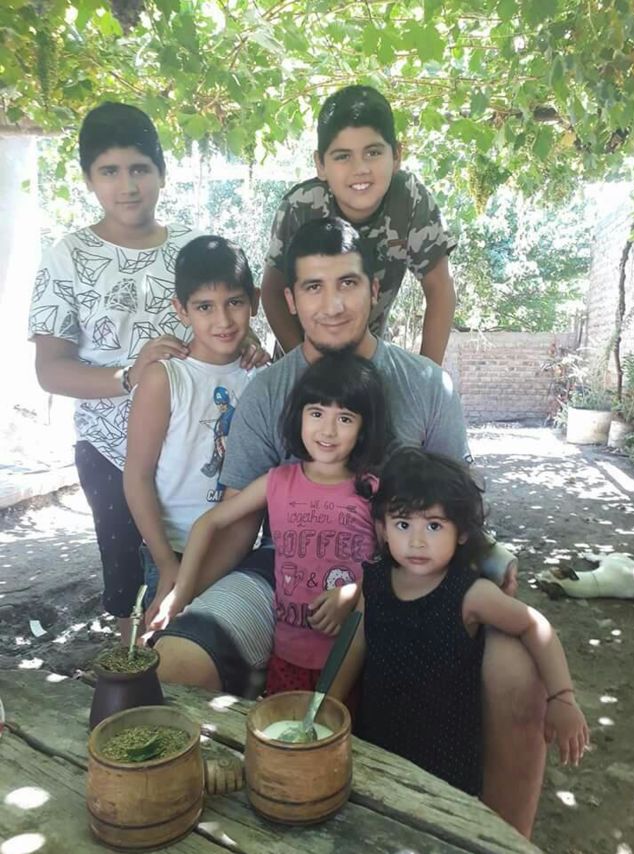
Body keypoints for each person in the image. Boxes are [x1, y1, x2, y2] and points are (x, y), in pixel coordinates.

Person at [154, 216, 544, 837]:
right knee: (174, 660)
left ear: (375, 289)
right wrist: (183, 595)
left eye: (348, 284)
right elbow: (235, 521)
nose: (332, 305)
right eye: (313, 287)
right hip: (285, 567)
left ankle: (502, 842)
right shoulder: (268, 391)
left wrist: (490, 558)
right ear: (290, 299)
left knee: (518, 675)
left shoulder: (427, 385)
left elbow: (458, 509)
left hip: (409, 575)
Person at [28, 102, 265, 643]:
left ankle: (188, 662)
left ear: (161, 171)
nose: (127, 185)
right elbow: (51, 370)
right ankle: (133, 670)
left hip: (197, 446)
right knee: (129, 587)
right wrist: (128, 377)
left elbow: (224, 320)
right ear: (89, 178)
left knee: (202, 576)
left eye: (139, 168)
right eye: (109, 171)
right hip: (112, 451)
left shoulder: (191, 247)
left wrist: (249, 344)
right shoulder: (67, 256)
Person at [331, 448, 589, 804]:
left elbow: (535, 626)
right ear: (383, 528)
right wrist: (329, 701)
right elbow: (359, 639)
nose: (417, 541)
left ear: (462, 532)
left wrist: (562, 697)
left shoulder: (470, 594)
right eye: (403, 524)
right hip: (380, 742)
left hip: (446, 762)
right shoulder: (375, 581)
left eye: (434, 526)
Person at [172, 353, 385, 697]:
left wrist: (354, 592)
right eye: (316, 413)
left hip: (353, 660)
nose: (328, 430)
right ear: (298, 415)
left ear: (364, 428)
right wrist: (180, 595)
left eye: (345, 418)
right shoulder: (276, 482)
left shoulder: (371, 490)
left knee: (341, 730)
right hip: (287, 657)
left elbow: (395, 564)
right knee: (285, 727)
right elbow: (209, 523)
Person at [261, 84, 456, 364]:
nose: (360, 169)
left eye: (373, 153)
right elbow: (272, 292)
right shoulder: (302, 206)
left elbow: (440, 288)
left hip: (367, 359)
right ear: (321, 164)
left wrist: (427, 376)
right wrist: (305, 365)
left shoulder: (409, 199)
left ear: (396, 155)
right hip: (301, 356)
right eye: (343, 156)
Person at [123, 235, 262, 627]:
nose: (223, 320)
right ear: (181, 310)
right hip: (172, 550)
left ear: (254, 300)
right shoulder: (165, 379)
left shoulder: (262, 377)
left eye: (235, 302)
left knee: (219, 644)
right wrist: (166, 562)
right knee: (163, 643)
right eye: (204, 306)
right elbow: (136, 476)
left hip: (236, 549)